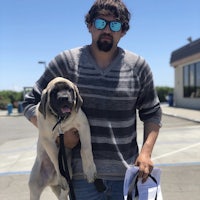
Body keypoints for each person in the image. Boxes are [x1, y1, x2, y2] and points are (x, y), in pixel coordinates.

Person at [23, 0, 162, 199]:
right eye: (100, 23)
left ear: (123, 31)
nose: (107, 29)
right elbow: (30, 102)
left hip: (125, 175)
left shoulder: (139, 67)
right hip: (81, 179)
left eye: (115, 25)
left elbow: (152, 112)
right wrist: (56, 134)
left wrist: (146, 153)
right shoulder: (67, 62)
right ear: (89, 26)